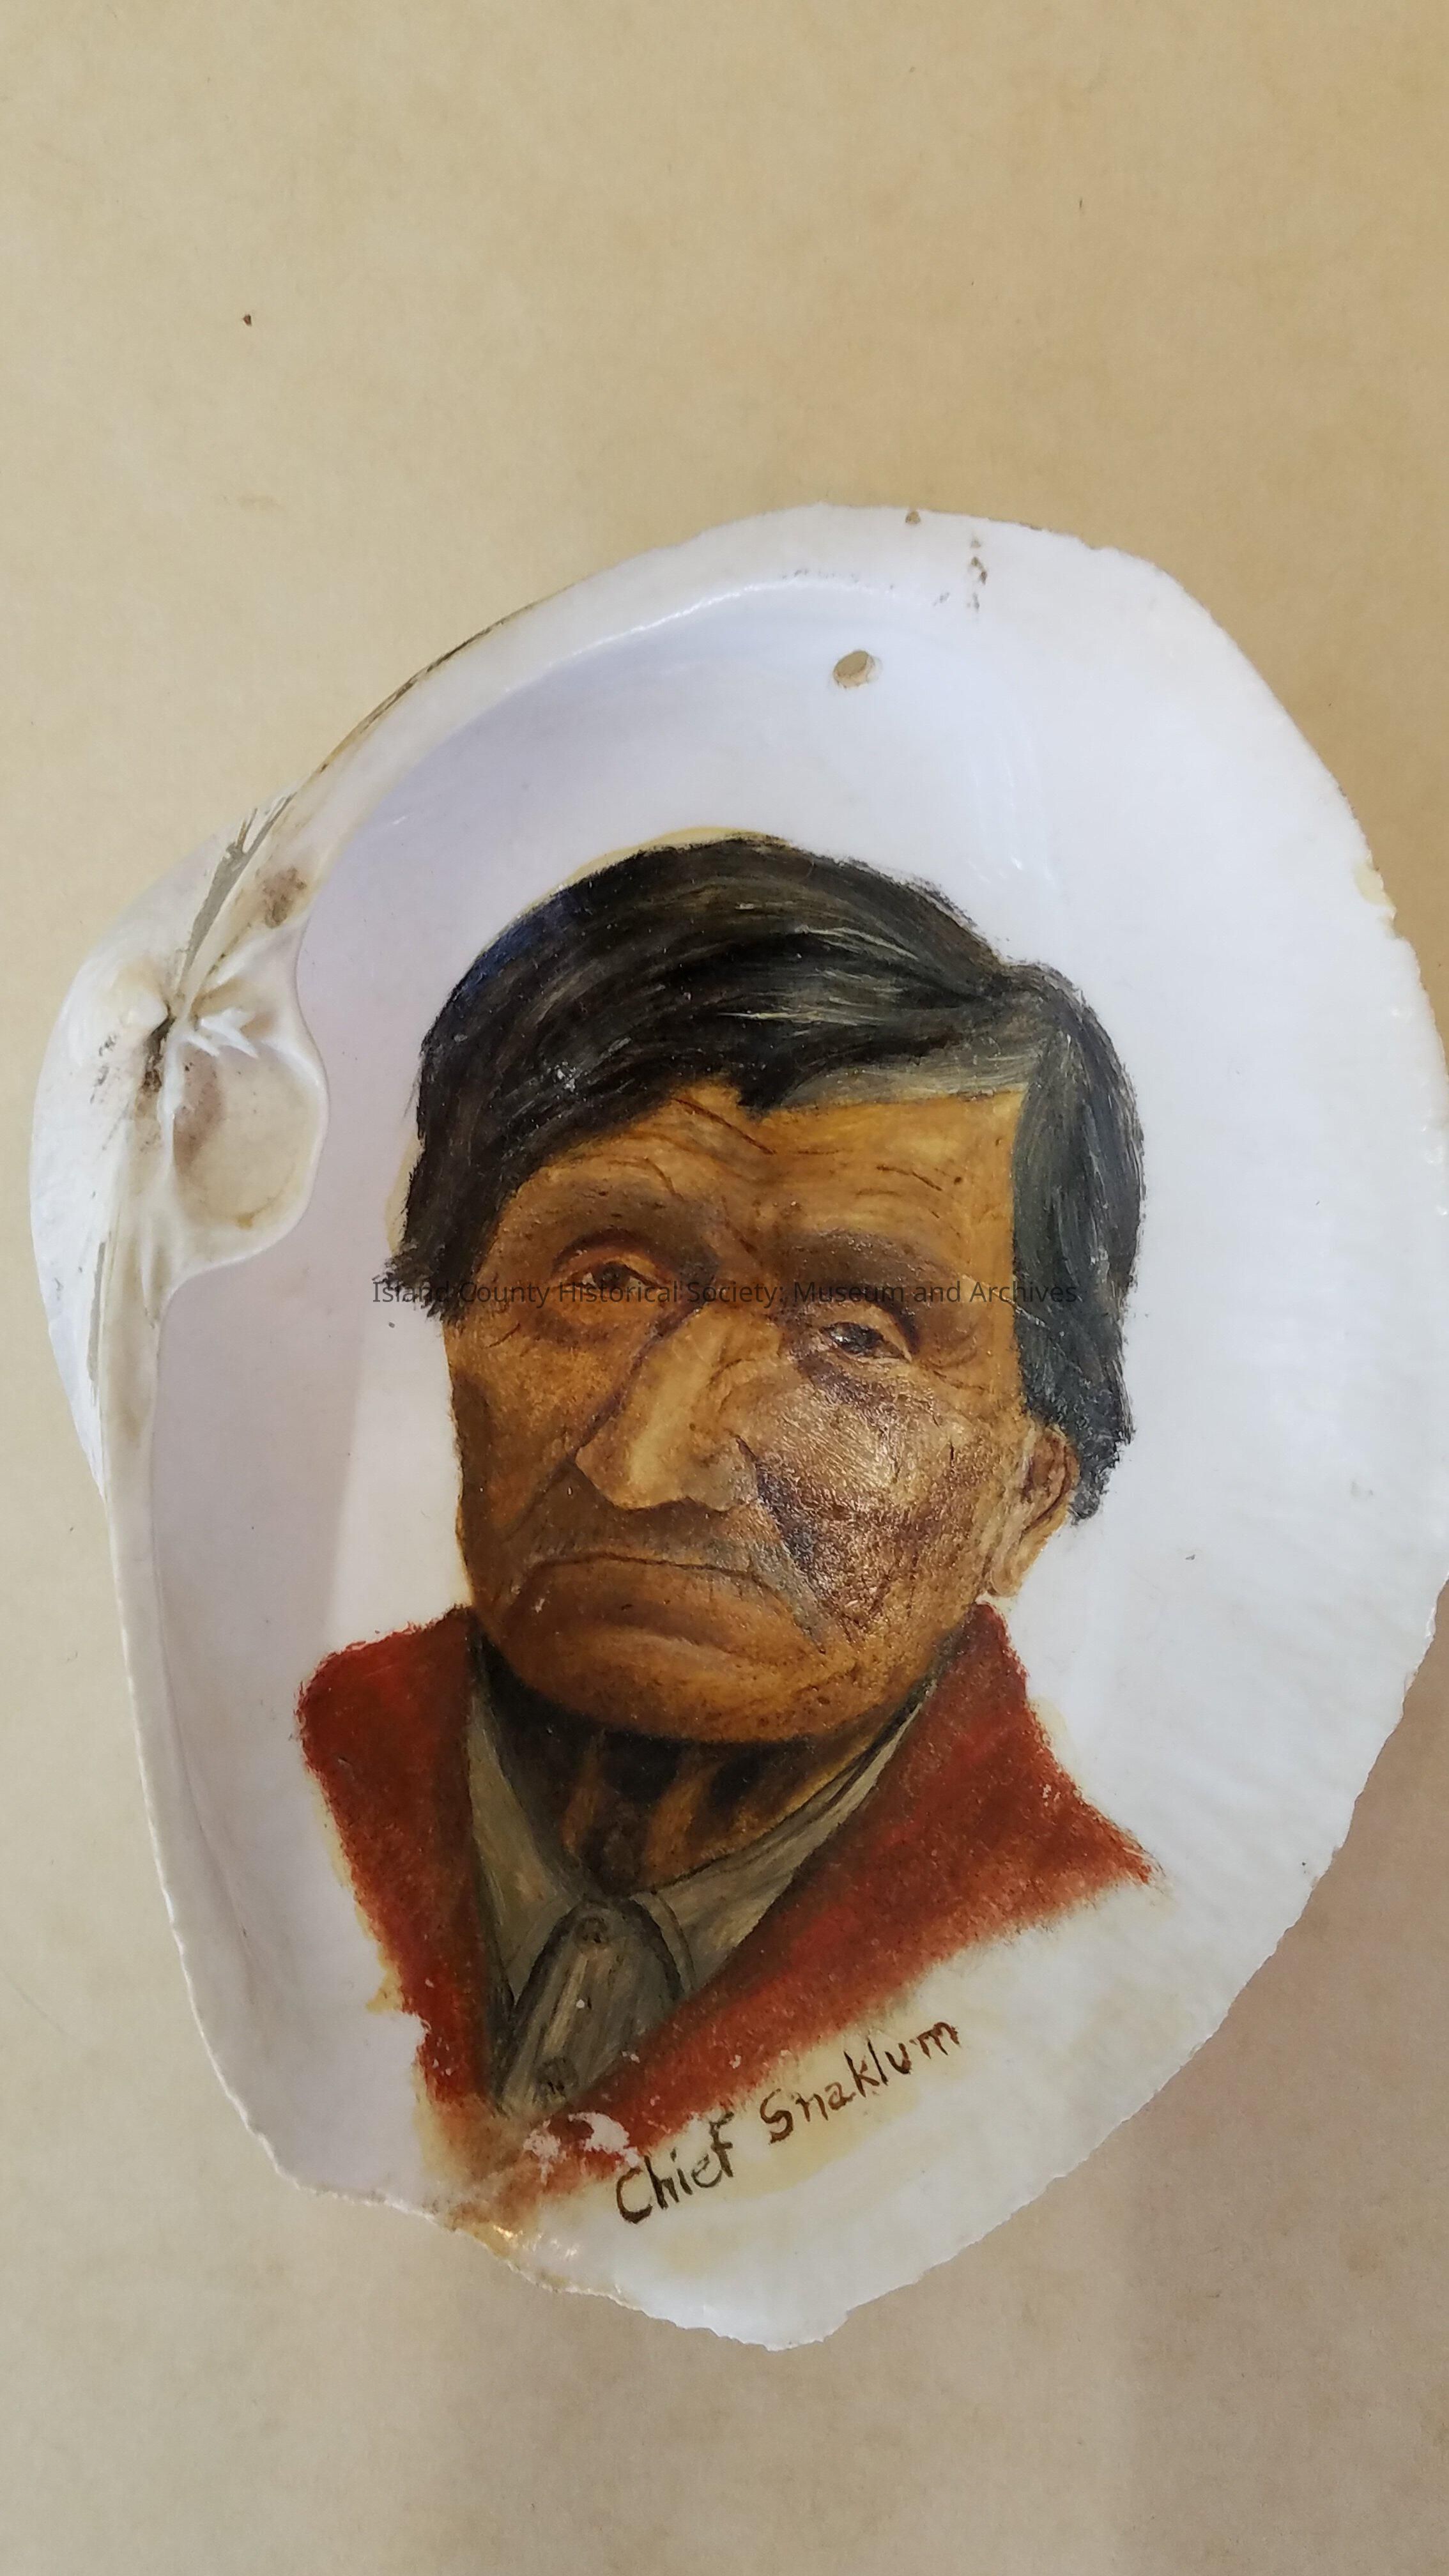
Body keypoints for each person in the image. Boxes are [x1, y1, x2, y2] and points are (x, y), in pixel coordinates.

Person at [299, 835, 1152, 2192]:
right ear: (455, 1329)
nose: (649, 1463)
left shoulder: (1078, 1955)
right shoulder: (303, 1784)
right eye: (603, 1282)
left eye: (856, 1337)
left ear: (1029, 1496)